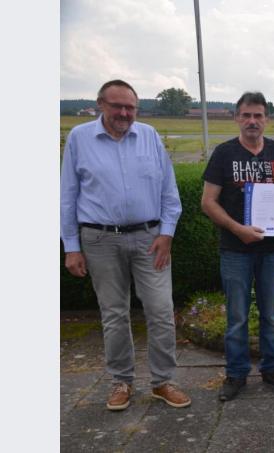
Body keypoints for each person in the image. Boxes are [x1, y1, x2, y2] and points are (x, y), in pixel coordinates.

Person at [60, 80, 191, 411]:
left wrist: (167, 233)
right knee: (114, 313)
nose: (123, 113)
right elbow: (68, 196)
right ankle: (121, 381)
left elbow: (169, 192)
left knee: (160, 309)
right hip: (100, 240)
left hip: (150, 239)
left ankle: (163, 381)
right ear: (100, 104)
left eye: (130, 107)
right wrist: (71, 246)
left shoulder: (149, 136)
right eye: (116, 106)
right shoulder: (79, 138)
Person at [201, 91, 274, 401]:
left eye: (258, 115)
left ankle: (272, 369)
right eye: (246, 115)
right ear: (237, 118)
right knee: (237, 317)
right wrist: (238, 229)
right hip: (235, 250)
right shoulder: (224, 154)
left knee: (272, 315)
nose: (252, 121)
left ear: (266, 119)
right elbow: (208, 202)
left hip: (273, 250)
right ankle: (236, 375)